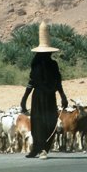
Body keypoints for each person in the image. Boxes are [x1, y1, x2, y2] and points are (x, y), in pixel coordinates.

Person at [20, 21, 68, 159]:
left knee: (50, 121)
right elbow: (32, 82)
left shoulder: (53, 65)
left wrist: (63, 97)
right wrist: (24, 100)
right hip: (39, 97)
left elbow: (58, 82)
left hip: (49, 97)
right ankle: (38, 148)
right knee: (37, 122)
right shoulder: (36, 64)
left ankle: (44, 149)